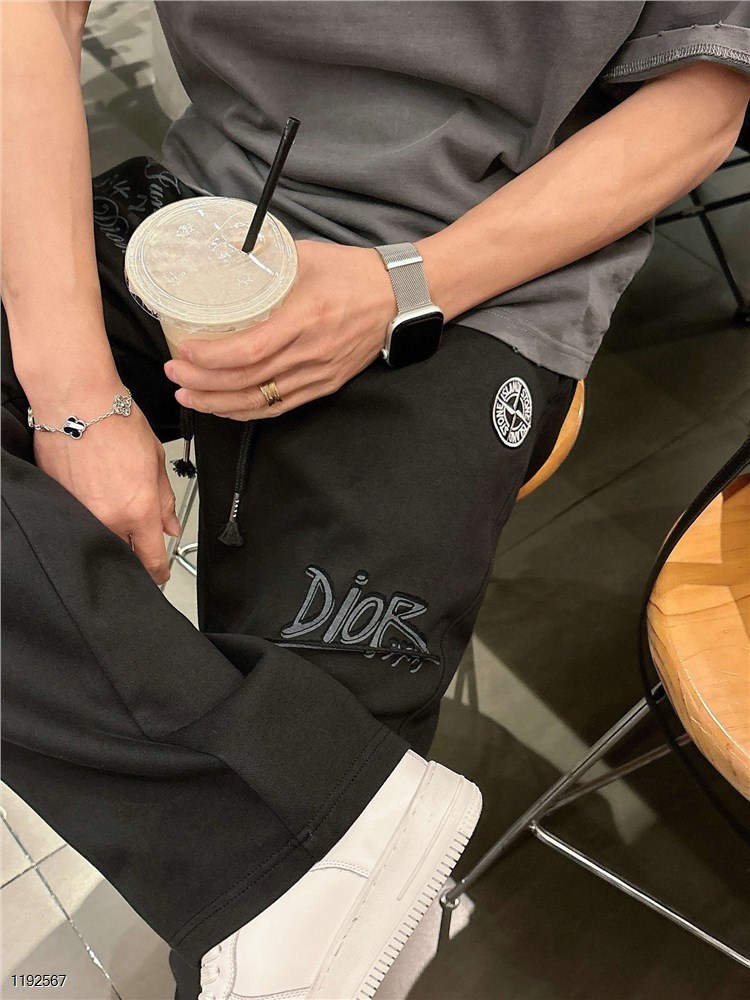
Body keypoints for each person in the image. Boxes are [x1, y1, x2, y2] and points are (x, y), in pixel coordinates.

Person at [2, 2, 749, 998]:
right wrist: (74, 397)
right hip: (206, 201)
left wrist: (401, 286)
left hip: (476, 273)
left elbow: (705, 95)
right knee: (312, 867)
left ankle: (306, 843)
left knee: (307, 829)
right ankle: (303, 839)